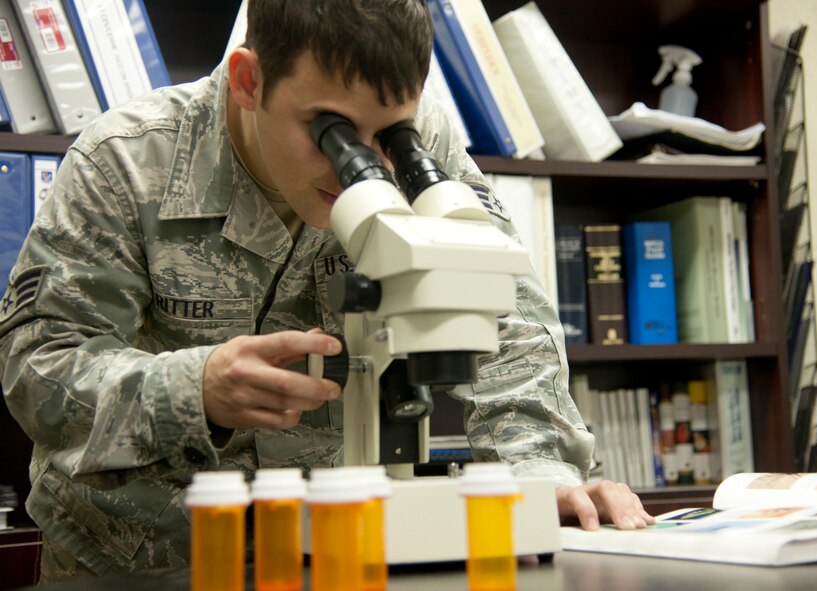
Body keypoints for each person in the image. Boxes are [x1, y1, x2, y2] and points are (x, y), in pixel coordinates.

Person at [0, 0, 653, 581]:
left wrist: (538, 473)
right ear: (249, 80)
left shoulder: (425, 146)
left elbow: (508, 324)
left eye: (389, 134)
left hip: (337, 560)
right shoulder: (125, 161)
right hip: (144, 567)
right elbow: (40, 367)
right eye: (331, 131)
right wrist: (193, 389)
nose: (364, 163)